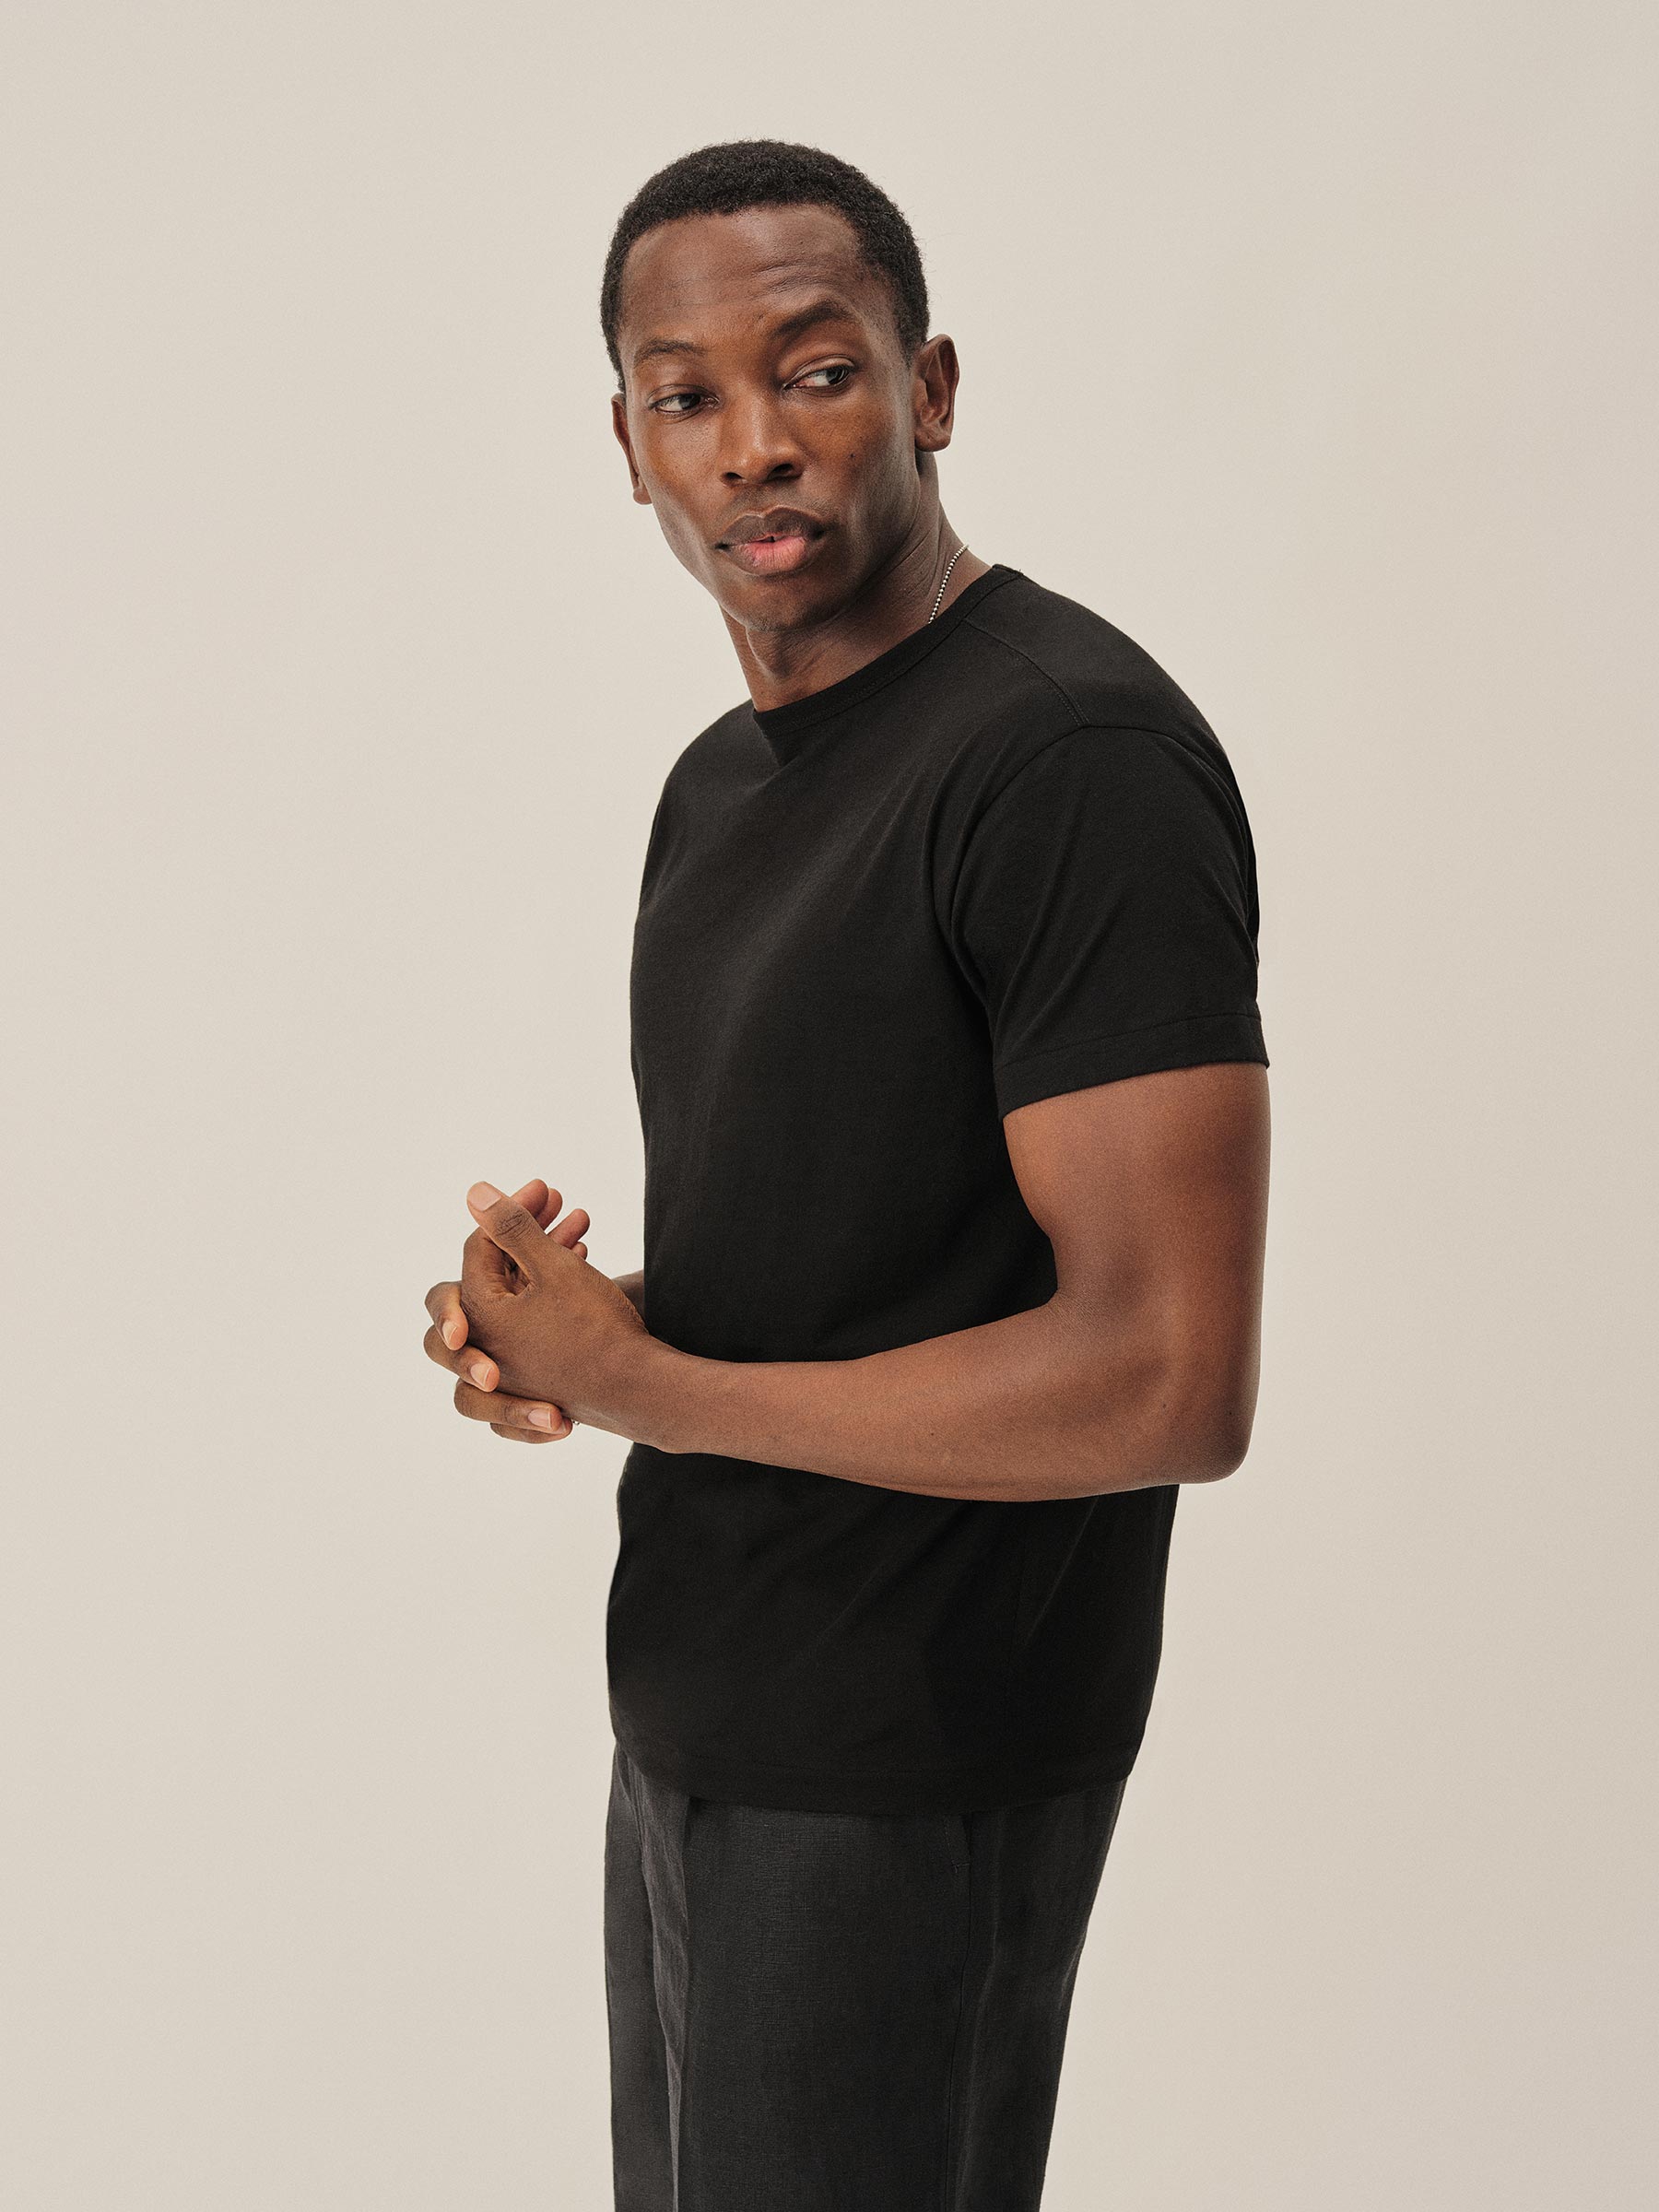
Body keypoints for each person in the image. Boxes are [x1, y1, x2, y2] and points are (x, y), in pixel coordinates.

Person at [422, 138, 1271, 2212]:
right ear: (626, 446)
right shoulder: (721, 787)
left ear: (931, 388)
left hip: (914, 1756)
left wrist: (654, 1387)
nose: (752, 445)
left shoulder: (1068, 761)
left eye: (816, 371)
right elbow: (852, 1255)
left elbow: (1168, 1374)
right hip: (705, 1717)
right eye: (685, 395)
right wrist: (569, 1335)